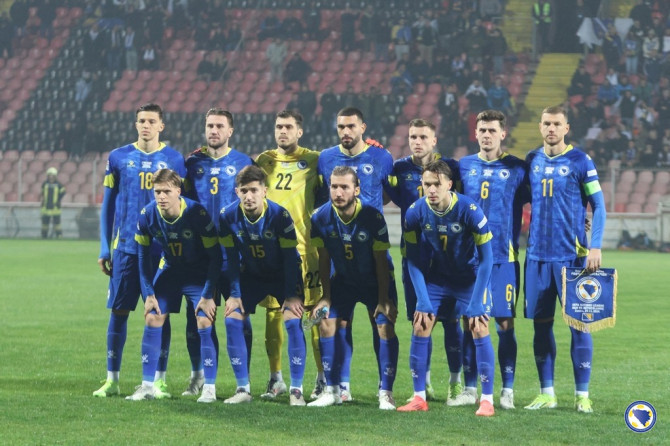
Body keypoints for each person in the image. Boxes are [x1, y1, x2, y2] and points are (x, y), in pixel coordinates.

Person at [94, 103, 185, 398]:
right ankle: (112, 380)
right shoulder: (118, 157)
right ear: (136, 124)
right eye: (141, 121)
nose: (146, 125)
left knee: (161, 312)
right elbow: (108, 205)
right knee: (119, 310)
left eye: (151, 121)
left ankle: (159, 380)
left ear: (161, 126)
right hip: (126, 249)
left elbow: (183, 204)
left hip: (163, 251)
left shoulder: (174, 159)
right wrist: (105, 246)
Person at [396, 160, 495, 416]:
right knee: (421, 323)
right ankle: (419, 397)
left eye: (436, 184)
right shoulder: (415, 212)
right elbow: (412, 261)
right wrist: (422, 299)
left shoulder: (469, 210)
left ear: (449, 184)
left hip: (470, 278)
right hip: (439, 278)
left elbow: (487, 260)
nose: (431, 189)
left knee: (479, 325)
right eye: (426, 184)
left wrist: (476, 301)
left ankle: (487, 400)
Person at [524, 105, 606, 413]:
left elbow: (599, 205)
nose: (551, 128)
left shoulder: (581, 161)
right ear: (540, 126)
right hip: (536, 258)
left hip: (573, 258)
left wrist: (595, 246)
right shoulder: (531, 160)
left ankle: (582, 395)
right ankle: (547, 393)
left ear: (566, 128)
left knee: (580, 326)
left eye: (557, 124)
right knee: (541, 326)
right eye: (546, 123)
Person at [317, 107, 395, 401]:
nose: (346, 132)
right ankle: (341, 388)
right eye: (341, 127)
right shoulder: (325, 158)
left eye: (351, 126)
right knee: (338, 323)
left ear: (363, 127)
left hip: (373, 255)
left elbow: (389, 194)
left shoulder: (382, 158)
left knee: (382, 323)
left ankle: (385, 391)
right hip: (341, 261)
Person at [126, 169, 222, 402]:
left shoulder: (197, 213)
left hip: (199, 274)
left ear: (178, 191)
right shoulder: (148, 214)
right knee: (152, 317)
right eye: (157, 192)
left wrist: (208, 295)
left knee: (203, 319)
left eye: (166, 192)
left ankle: (209, 388)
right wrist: (149, 294)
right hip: (170, 270)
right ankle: (147, 386)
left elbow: (216, 256)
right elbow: (142, 257)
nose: (161, 197)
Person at [308, 166, 399, 409]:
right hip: (344, 280)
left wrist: (383, 299)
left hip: (375, 280)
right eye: (334, 187)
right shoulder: (319, 217)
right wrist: (325, 297)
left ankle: (386, 392)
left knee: (383, 326)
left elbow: (381, 261)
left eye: (344, 187)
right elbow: (324, 259)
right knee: (326, 322)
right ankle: (332, 391)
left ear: (356, 190)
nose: (338, 192)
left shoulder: (372, 216)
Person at [387, 119, 464, 404]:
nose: (417, 142)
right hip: (415, 258)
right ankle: (425, 384)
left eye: (423, 137)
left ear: (434, 140)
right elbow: (386, 195)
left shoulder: (451, 168)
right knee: (421, 320)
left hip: (447, 260)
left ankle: (455, 383)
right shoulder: (399, 169)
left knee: (452, 323)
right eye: (412, 137)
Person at [219, 166, 307, 405]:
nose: (249, 196)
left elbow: (290, 258)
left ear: (264, 191)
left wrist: (291, 295)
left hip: (283, 276)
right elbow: (230, 258)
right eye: (244, 191)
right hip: (253, 276)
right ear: (237, 192)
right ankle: (242, 389)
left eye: (254, 190)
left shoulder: (280, 216)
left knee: (292, 319)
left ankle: (296, 391)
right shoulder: (227, 216)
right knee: (232, 318)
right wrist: (234, 294)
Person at [459, 110, 529, 410]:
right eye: (482, 130)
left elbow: (543, 199)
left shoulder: (518, 168)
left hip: (504, 258)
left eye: (492, 130)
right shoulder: (463, 166)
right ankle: (469, 388)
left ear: (503, 133)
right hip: (470, 260)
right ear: (475, 133)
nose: (486, 135)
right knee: (470, 321)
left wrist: (581, 219)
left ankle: (507, 389)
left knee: (504, 323)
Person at [182, 108, 253, 397]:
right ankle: (198, 376)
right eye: (210, 125)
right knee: (197, 317)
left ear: (230, 131)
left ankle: (243, 382)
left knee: (239, 317)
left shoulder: (243, 163)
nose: (213, 130)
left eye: (219, 126)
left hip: (234, 255)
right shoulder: (192, 163)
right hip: (200, 256)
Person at [255, 110, 325, 400]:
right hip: (273, 254)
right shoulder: (264, 160)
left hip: (306, 250)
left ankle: (322, 378)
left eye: (288, 127)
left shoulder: (316, 160)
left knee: (313, 314)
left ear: (300, 131)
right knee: (273, 314)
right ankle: (276, 378)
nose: (282, 131)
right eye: (278, 127)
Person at [40, 167, 66, 239]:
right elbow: (42, 193)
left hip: (55, 207)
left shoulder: (59, 185)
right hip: (46, 207)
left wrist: (58, 200)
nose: (51, 177)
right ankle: (44, 236)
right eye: (49, 175)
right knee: (45, 223)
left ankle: (59, 236)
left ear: (55, 176)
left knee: (57, 223)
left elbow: (63, 192)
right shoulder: (44, 184)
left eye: (52, 175)